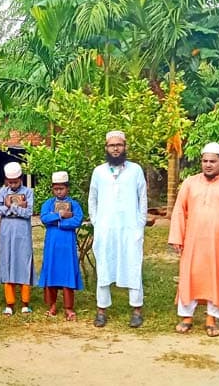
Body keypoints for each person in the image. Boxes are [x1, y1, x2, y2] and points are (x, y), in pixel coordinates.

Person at [168, 143, 219, 337]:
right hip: (193, 241)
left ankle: (212, 318)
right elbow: (179, 211)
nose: (208, 165)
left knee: (218, 277)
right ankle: (187, 317)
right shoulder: (190, 183)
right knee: (190, 276)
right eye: (205, 161)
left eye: (213, 161)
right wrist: (177, 238)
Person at [88, 130, 147, 328]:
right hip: (105, 229)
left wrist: (139, 225)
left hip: (130, 229)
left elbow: (142, 199)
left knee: (133, 265)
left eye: (119, 145)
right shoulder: (99, 172)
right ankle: (101, 310)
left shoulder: (135, 170)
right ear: (106, 148)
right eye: (112, 145)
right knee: (104, 266)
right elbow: (92, 199)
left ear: (125, 147)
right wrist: (97, 223)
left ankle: (137, 310)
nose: (115, 148)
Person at [38, 171, 84, 321]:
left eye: (62, 188)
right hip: (52, 244)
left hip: (67, 244)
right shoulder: (48, 203)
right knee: (51, 272)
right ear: (52, 189)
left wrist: (58, 223)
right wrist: (60, 216)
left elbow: (77, 220)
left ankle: (68, 308)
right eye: (56, 189)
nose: (59, 191)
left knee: (67, 273)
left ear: (67, 188)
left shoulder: (74, 204)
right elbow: (44, 218)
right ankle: (51, 306)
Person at [0, 161, 35, 316]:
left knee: (24, 263)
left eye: (15, 182)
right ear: (6, 181)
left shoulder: (29, 192)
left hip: (23, 234)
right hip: (6, 234)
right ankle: (9, 303)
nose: (13, 185)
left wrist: (11, 207)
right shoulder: (3, 192)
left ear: (21, 179)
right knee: (7, 263)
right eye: (10, 182)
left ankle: (25, 303)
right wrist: (16, 208)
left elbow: (29, 212)